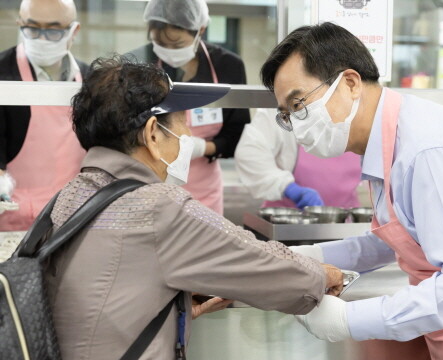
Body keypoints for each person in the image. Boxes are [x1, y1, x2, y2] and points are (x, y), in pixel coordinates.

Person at [260, 22, 443, 359]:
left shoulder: (426, 151)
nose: (297, 124)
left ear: (349, 83)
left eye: (299, 104)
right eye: (287, 115)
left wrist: (349, 319)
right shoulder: (388, 140)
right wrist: (308, 258)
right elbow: (399, 240)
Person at [44, 55, 343, 359]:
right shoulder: (158, 207)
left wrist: (173, 307)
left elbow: (103, 295)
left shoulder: (69, 196)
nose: (187, 137)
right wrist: (324, 275)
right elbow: (258, 260)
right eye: (182, 124)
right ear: (153, 134)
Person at [127, 0, 250, 214]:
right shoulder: (137, 64)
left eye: (176, 45)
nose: (168, 51)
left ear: (200, 30)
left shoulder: (228, 66)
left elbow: (236, 134)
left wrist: (201, 147)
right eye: (160, 44)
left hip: (204, 192)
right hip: (150, 187)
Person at [0, 0, 88, 230]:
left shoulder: (92, 80)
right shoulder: (2, 75)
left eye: (53, 30)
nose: (41, 38)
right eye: (32, 28)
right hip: (12, 222)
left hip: (74, 219)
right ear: (20, 24)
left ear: (74, 30)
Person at [235, 108, 362, 209]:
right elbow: (251, 153)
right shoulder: (284, 109)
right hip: (289, 220)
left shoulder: (359, 112)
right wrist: (287, 187)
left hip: (343, 221)